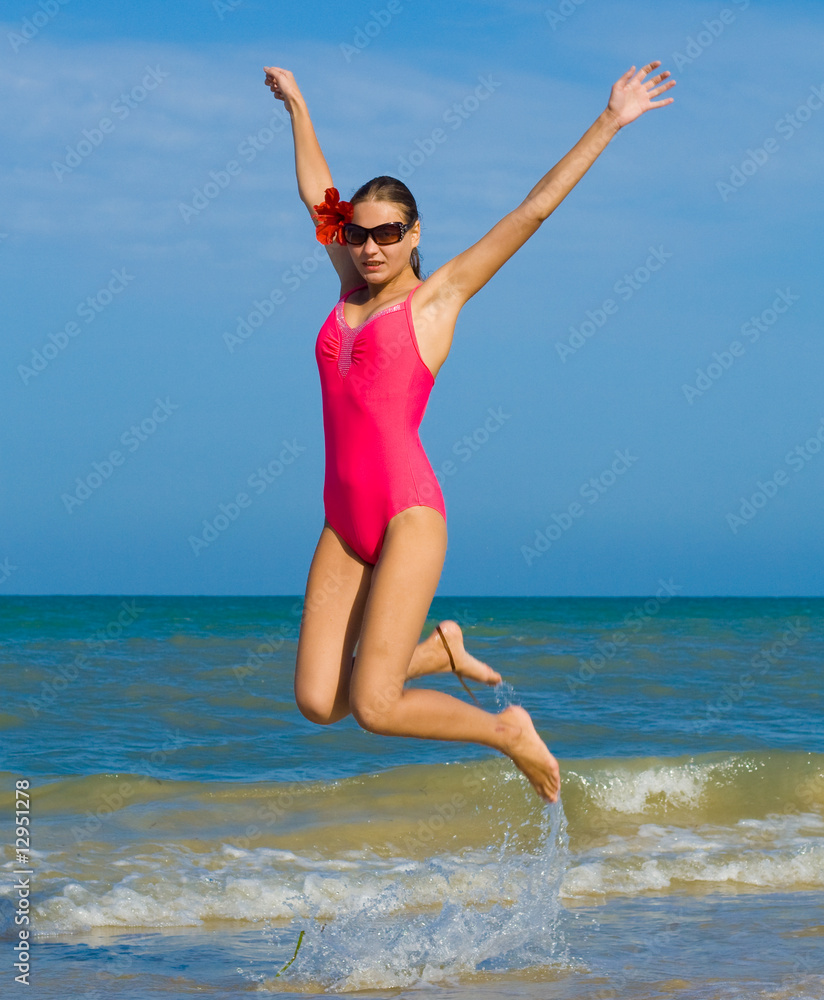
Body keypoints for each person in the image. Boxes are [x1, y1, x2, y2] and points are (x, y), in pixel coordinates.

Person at [263, 60, 674, 804]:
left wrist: (609, 122)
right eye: (359, 234)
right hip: (344, 521)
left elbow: (531, 211)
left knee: (377, 707)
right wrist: (298, 107)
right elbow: (315, 195)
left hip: (406, 513)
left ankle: (506, 730)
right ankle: (440, 648)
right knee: (320, 702)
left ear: (414, 233)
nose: (371, 247)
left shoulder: (435, 301)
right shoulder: (347, 284)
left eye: (388, 234)